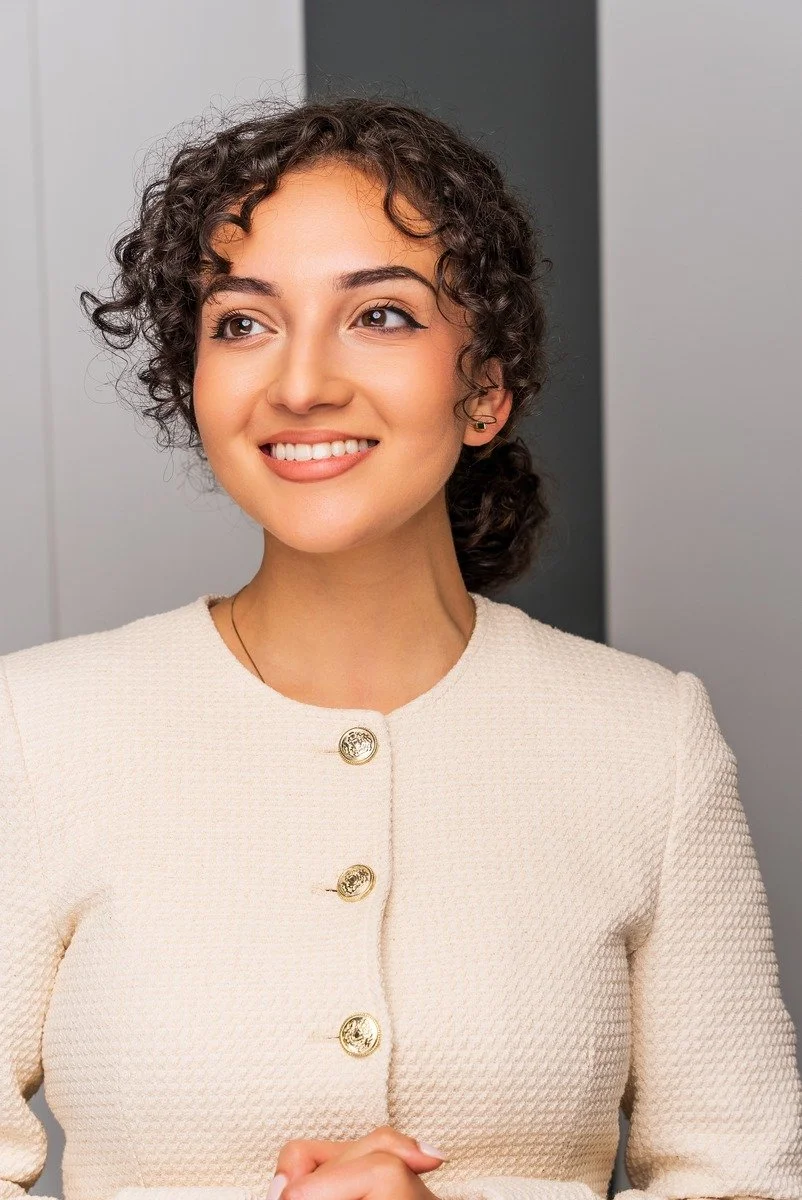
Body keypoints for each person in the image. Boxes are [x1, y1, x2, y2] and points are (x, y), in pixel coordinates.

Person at [1, 94, 800, 1200]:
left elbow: (745, 1181)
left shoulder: (647, 741)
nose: (299, 381)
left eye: (379, 315)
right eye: (241, 322)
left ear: (484, 389)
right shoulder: (36, 732)